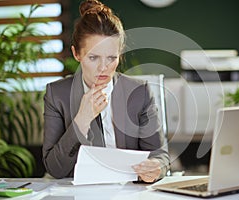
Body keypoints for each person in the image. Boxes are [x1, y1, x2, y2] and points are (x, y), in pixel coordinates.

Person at [42, 0, 170, 183]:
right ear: (77, 54)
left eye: (111, 58)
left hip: (131, 191)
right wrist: (82, 120)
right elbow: (55, 169)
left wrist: (156, 167)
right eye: (93, 57)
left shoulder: (139, 92)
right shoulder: (57, 95)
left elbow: (160, 155)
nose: (103, 67)